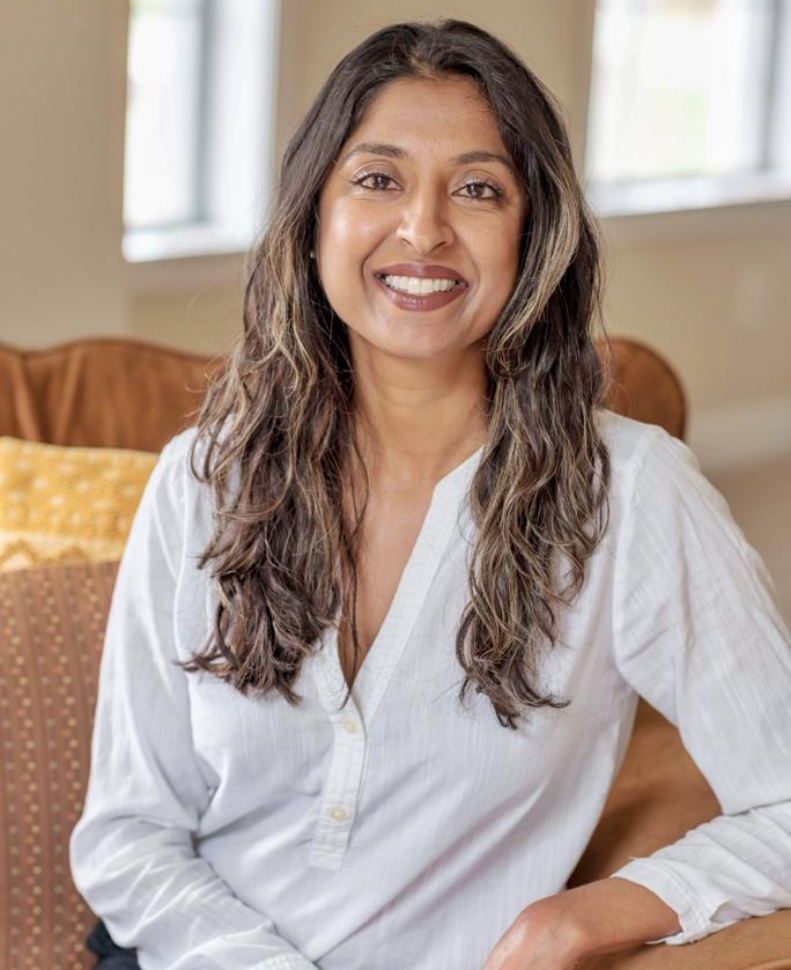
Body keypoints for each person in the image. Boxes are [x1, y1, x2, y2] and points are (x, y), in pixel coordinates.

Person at [69, 16, 791, 970]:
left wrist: (576, 919)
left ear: (531, 236)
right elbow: (127, 835)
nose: (423, 229)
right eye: (377, 179)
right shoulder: (202, 480)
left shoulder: (629, 493)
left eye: (478, 189)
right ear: (313, 217)